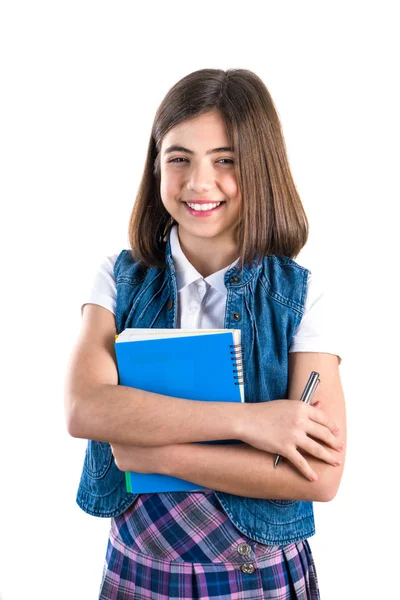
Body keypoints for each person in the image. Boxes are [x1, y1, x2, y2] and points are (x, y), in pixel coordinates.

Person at [64, 68, 346, 599]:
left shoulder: (302, 296)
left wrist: (154, 455)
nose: (199, 183)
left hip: (257, 576)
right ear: (155, 166)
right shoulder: (118, 278)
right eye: (179, 159)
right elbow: (85, 409)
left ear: (259, 169)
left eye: (225, 160)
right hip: (139, 568)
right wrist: (252, 423)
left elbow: (319, 477)